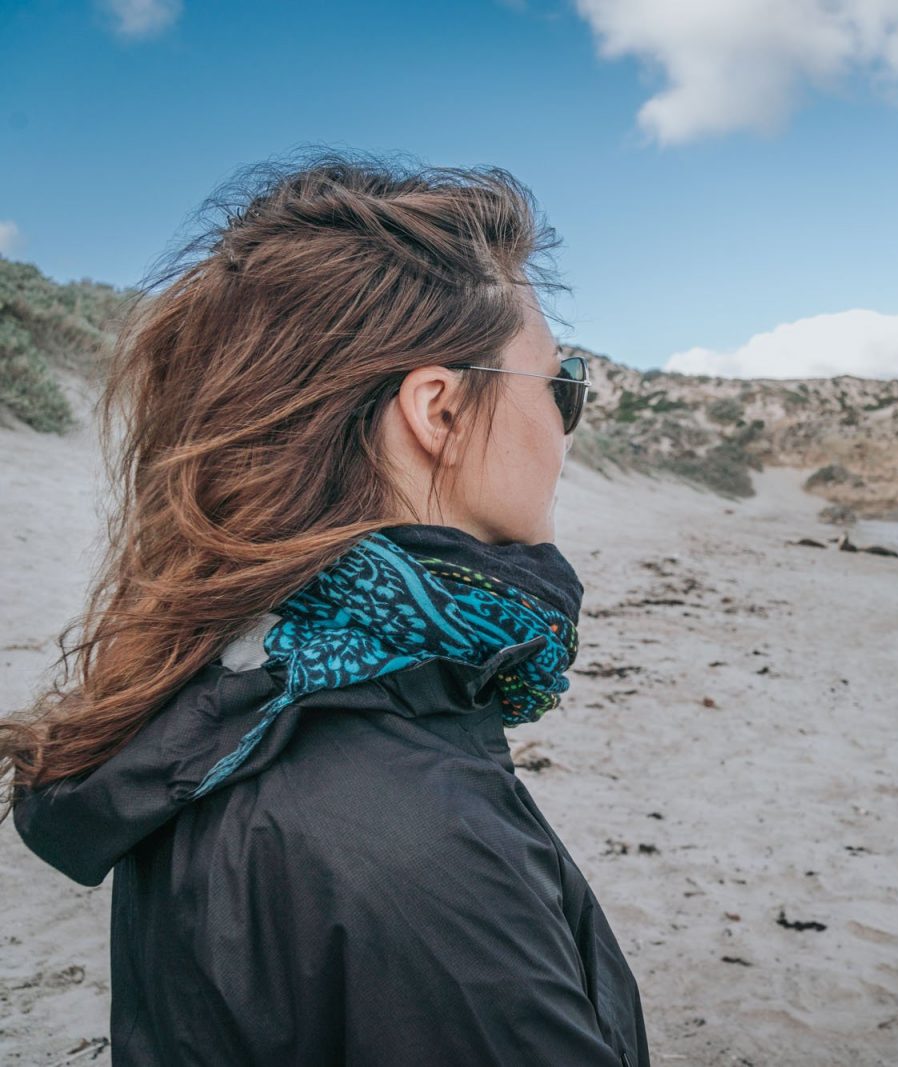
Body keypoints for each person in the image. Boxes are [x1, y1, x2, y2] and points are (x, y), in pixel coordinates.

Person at [2, 149, 650, 1066]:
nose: (564, 427)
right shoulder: (418, 850)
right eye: (561, 385)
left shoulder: (217, 694)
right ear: (441, 411)